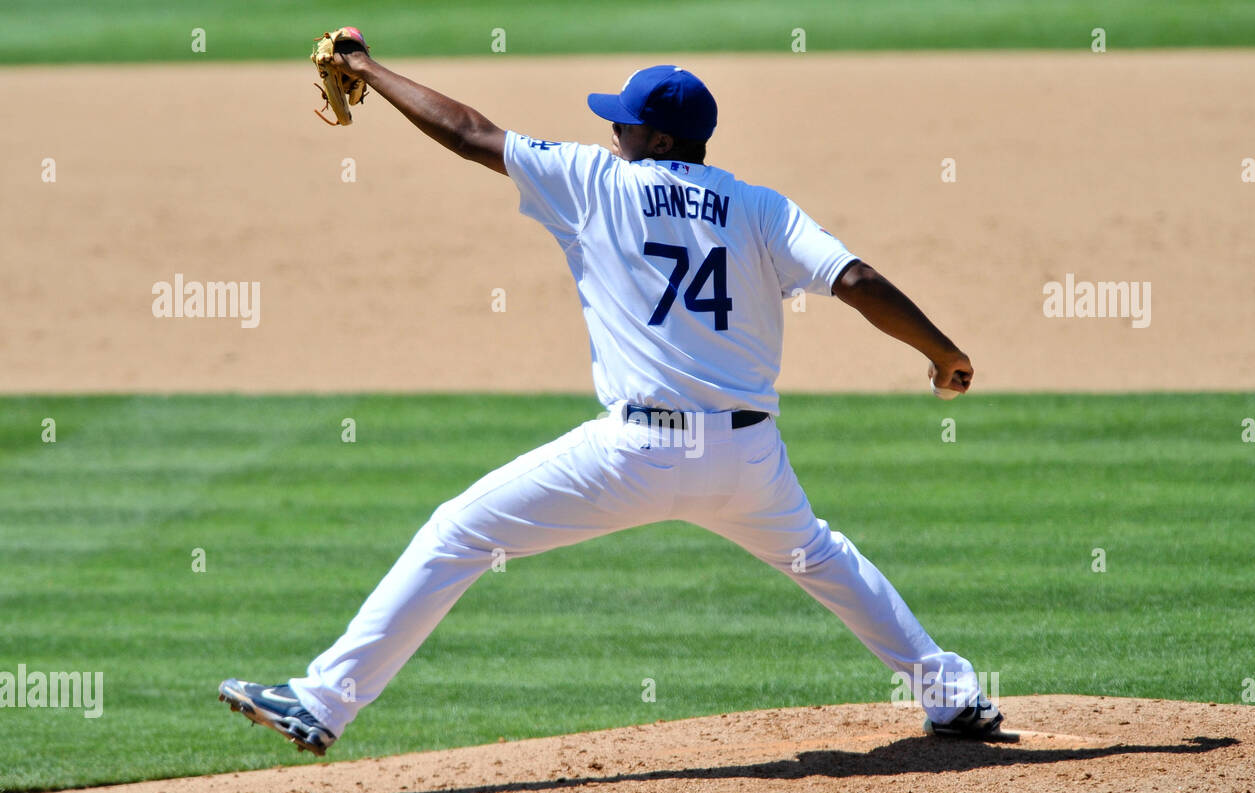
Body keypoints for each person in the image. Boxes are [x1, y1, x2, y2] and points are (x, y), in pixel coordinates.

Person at [219, 53, 1010, 755]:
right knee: (824, 557)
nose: (612, 134)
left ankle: (323, 702)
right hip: (746, 461)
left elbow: (467, 132)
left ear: (661, 141)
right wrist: (943, 355)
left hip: (635, 453)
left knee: (457, 532)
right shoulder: (762, 207)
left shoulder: (596, 184)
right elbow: (858, 281)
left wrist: (373, 71)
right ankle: (953, 698)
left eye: (624, 124)